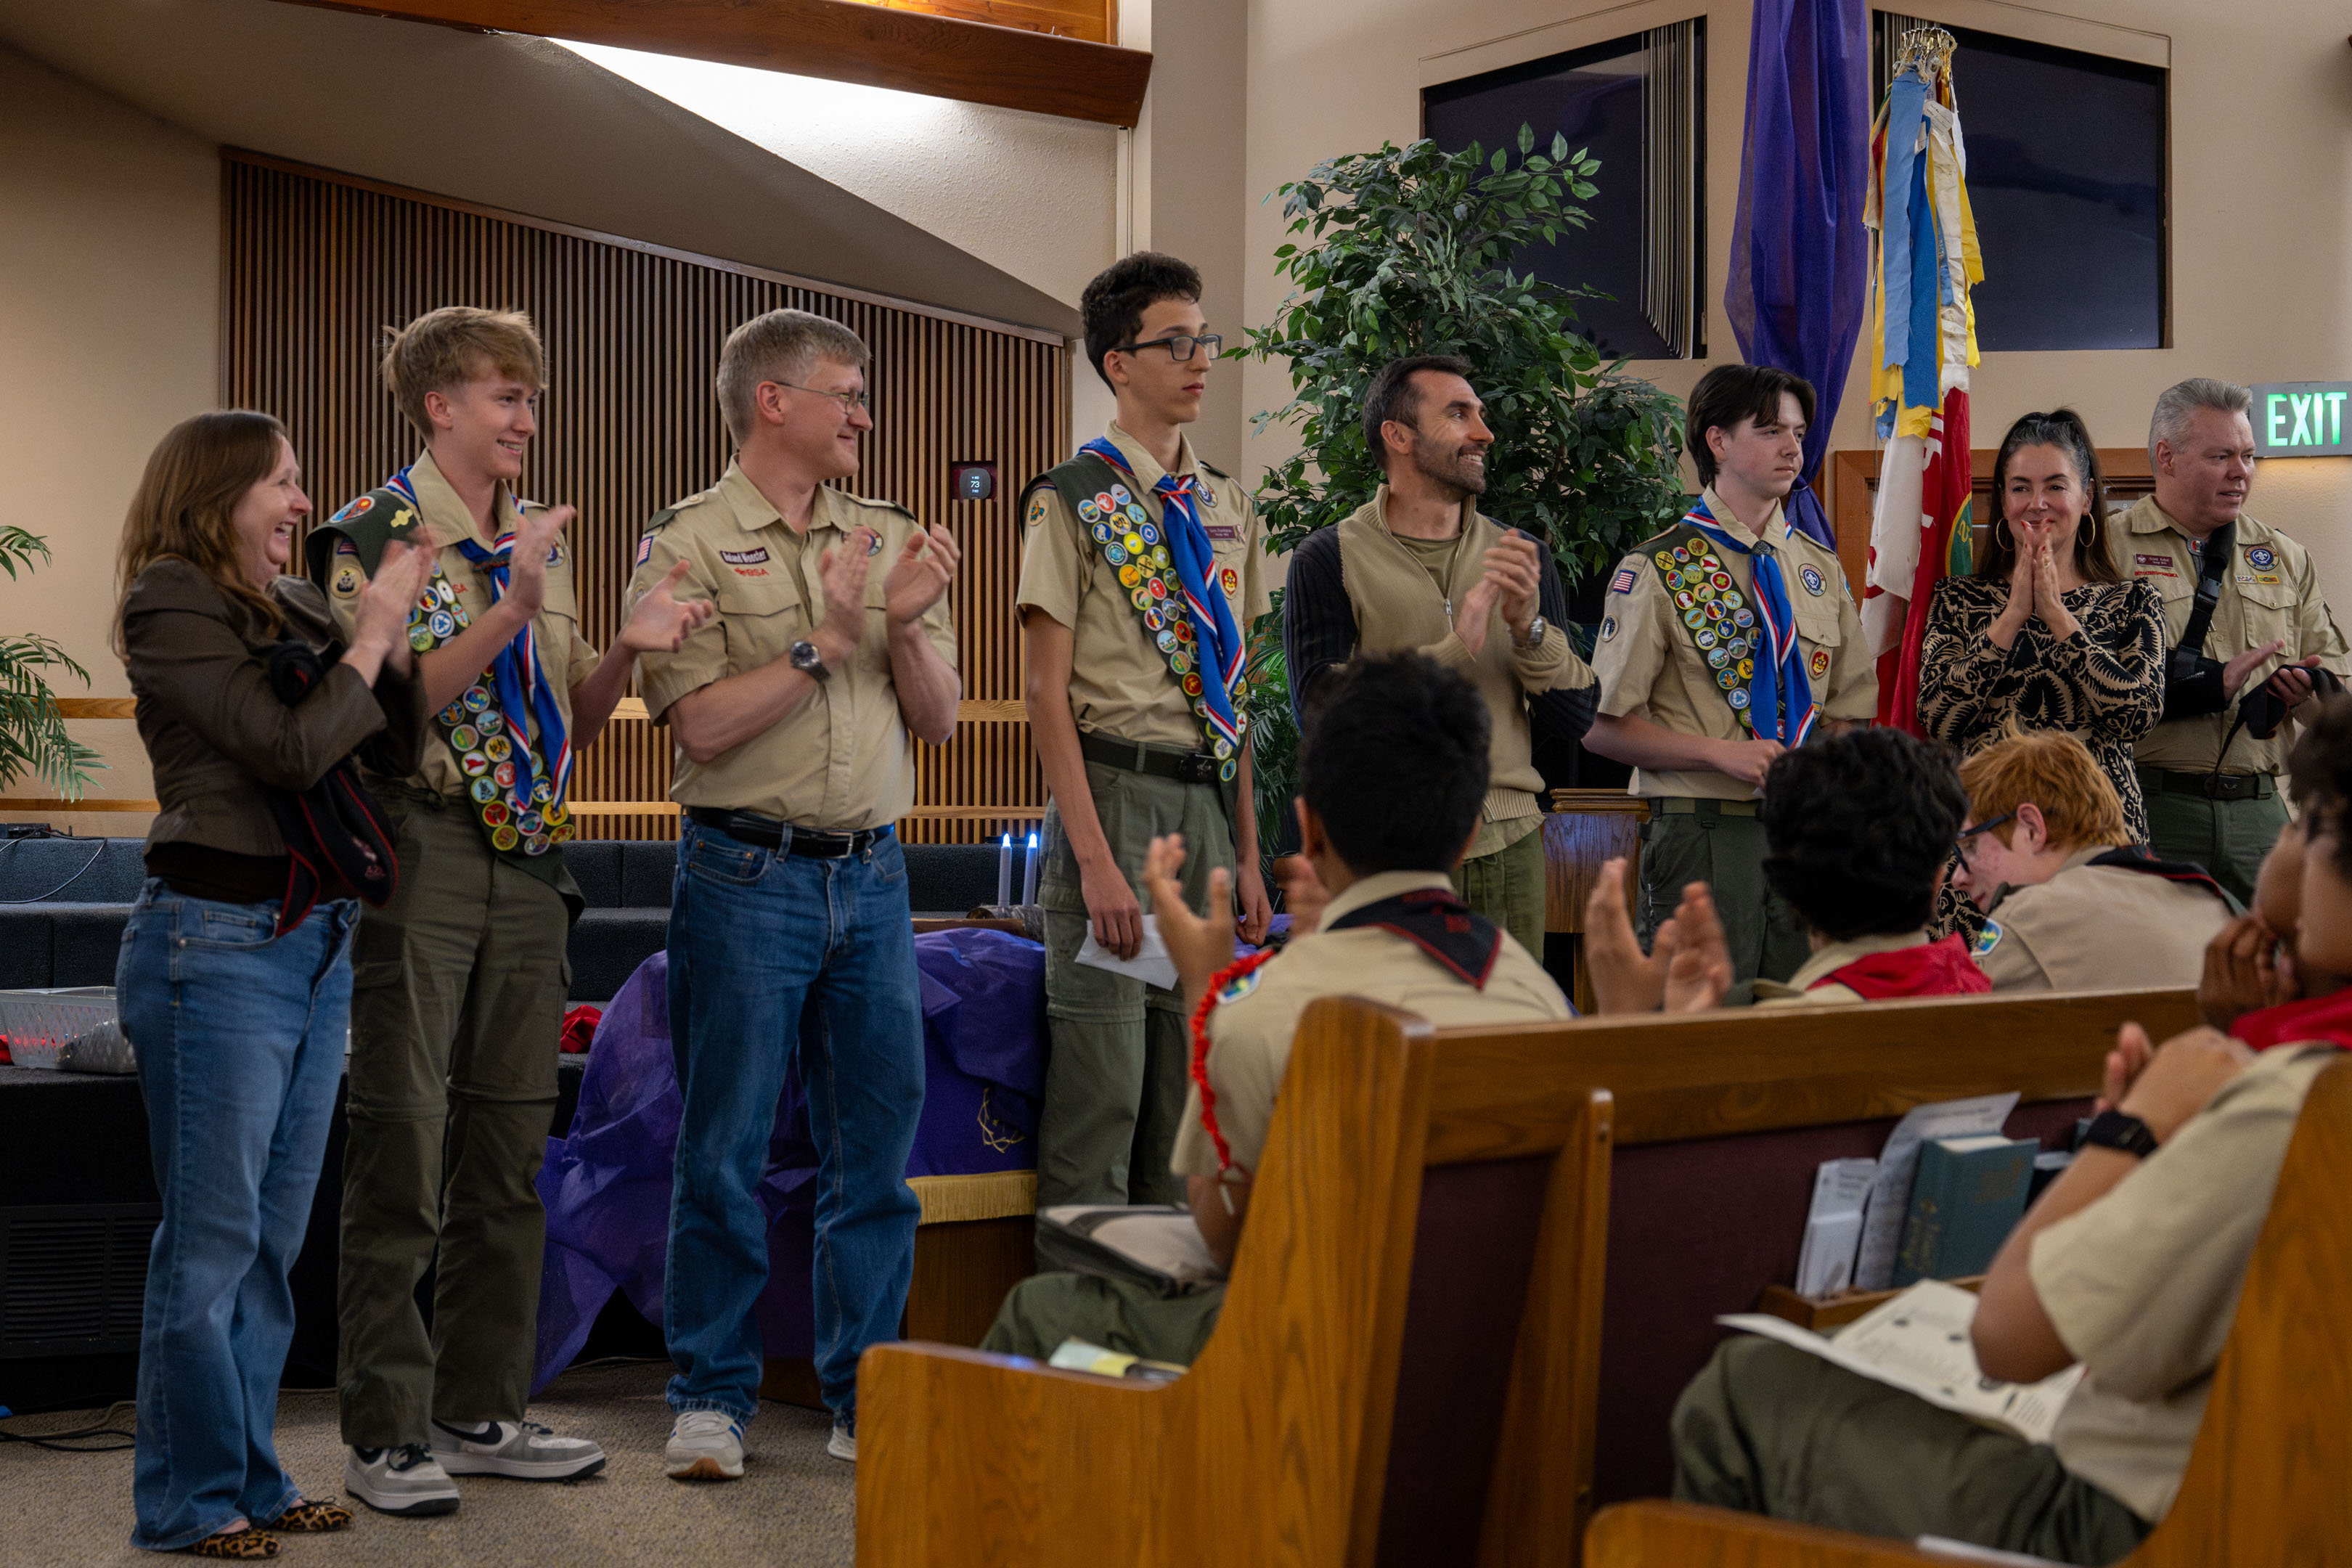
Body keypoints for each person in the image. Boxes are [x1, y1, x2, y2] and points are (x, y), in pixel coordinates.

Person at [1667, 696, 2352, 1565]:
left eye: (2308, 825)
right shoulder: (2212, 933)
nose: (2285, 847)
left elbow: (2010, 1338)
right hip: (2292, 1497)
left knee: (1745, 1388)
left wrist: (2129, 1133)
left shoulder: (2290, 1095)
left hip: (2147, 1518)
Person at [311, 307, 710, 1515]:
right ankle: (385, 1433)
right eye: (505, 396)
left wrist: (626, 649)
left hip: (533, 853)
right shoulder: (373, 534)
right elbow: (392, 715)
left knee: (508, 1148)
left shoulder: (535, 544)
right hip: (423, 842)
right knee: (403, 1138)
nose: (527, 417)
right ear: (440, 406)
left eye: (531, 398)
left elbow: (571, 719)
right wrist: (510, 607)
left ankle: (479, 1408)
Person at [978, 653, 1589, 1365]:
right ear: (1466, 835)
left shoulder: (1267, 1010)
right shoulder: (1540, 1001)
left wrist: (1208, 1000)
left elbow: (1218, 1236)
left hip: (1309, 1371)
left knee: (1040, 1315)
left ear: (1311, 830)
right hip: (1484, 1365)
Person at [630, 308, 960, 1477]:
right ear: (773, 400)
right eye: (847, 394)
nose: (864, 414)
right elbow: (702, 727)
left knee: (874, 1156)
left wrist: (903, 629)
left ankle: (866, 1396)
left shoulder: (890, 537)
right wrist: (823, 640)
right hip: (744, 873)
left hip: (873, 876)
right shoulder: (688, 541)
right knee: (723, 1148)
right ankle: (710, 1396)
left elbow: (939, 719)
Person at [115, 412, 431, 1556]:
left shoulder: (295, 604)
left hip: (315, 944)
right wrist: (371, 633)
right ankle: (190, 1501)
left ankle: (249, 1476)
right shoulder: (168, 600)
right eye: (283, 484)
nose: (304, 504)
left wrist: (394, 641)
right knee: (209, 1247)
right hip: (215, 943)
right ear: (218, 493)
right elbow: (289, 748)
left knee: (269, 1244)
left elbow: (389, 749)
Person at [1018, 252, 1273, 1210]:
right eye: (1176, 344)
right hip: (1115, 803)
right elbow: (1045, 695)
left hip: (1204, 813)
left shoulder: (1229, 505)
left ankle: (1167, 1303)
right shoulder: (1072, 496)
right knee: (1105, 1096)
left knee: (1185, 1105)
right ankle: (1083, 1305)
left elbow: (1235, 696)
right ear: (1119, 364)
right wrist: (1094, 864)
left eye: (1204, 340)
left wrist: (1250, 853)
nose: (1201, 360)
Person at [1281, 354, 1597, 956]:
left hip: (1511, 841)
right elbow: (1321, 713)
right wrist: (1456, 648)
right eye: (1459, 414)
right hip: (1386, 848)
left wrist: (1529, 630)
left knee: (1507, 1018)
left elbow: (1577, 716)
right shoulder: (1328, 557)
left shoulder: (1522, 554)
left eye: (1480, 414)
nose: (1485, 432)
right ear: (1398, 436)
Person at [1585, 364, 1877, 1003]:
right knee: (1701, 1019)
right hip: (1703, 829)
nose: (1792, 448)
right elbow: (1601, 727)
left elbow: (1849, 711)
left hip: (1801, 834)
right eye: (1770, 431)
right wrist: (1718, 753)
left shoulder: (1819, 568)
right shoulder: (1660, 567)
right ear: (1716, 441)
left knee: (1800, 1012)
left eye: (1798, 432)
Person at [2110, 377, 2351, 905]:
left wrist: (2305, 692)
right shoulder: (2106, 550)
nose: (2241, 472)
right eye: (2221, 456)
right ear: (2167, 458)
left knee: (2285, 950)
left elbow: (2334, 701)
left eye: (2248, 455)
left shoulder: (2285, 556)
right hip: (2151, 804)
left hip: (2259, 811)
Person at [1581, 729, 1984, 1009]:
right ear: (1940, 878)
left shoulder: (1783, 1034)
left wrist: (1627, 1012)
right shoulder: (1984, 994)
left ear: (1790, 892)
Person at [1918, 410, 2166, 841]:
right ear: (2003, 501)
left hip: (2099, 834)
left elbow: (2138, 717)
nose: (2037, 503)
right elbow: (1938, 718)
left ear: (2087, 497)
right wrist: (2012, 615)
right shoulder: (1958, 598)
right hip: (1989, 832)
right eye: (2021, 488)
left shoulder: (2133, 601)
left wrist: (2056, 615)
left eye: (2055, 486)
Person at [1953, 729, 2236, 992]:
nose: (1958, 878)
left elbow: (1955, 1025)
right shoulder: (2211, 903)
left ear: (2032, 829)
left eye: (1971, 846)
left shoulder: (2027, 918)